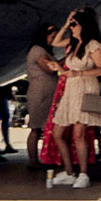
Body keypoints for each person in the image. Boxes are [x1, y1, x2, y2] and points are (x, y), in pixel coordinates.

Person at [61, 9, 101, 187]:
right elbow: (57, 41)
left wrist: (78, 72)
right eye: (71, 24)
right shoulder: (74, 44)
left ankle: (83, 174)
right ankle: (69, 172)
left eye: (75, 24)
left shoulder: (93, 45)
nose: (72, 27)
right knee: (58, 132)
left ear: (84, 25)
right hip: (71, 90)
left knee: (79, 134)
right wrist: (66, 23)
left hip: (88, 89)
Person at [25, 24, 67, 188]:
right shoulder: (37, 51)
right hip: (40, 93)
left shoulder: (45, 52)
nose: (53, 41)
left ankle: (47, 157)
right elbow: (49, 68)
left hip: (47, 92)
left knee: (45, 127)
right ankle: (33, 160)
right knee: (36, 127)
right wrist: (62, 63)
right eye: (52, 37)